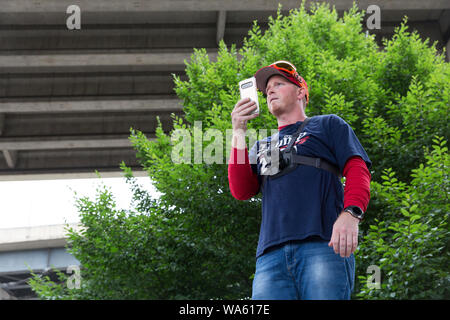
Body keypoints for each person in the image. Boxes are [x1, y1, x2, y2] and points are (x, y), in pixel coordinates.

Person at [228, 60, 372, 300]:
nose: (270, 91)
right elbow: (242, 190)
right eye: (267, 89)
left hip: (323, 245)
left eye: (279, 84)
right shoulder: (264, 145)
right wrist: (238, 131)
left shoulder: (327, 124)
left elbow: (358, 168)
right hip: (270, 257)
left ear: (301, 92)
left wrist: (351, 214)